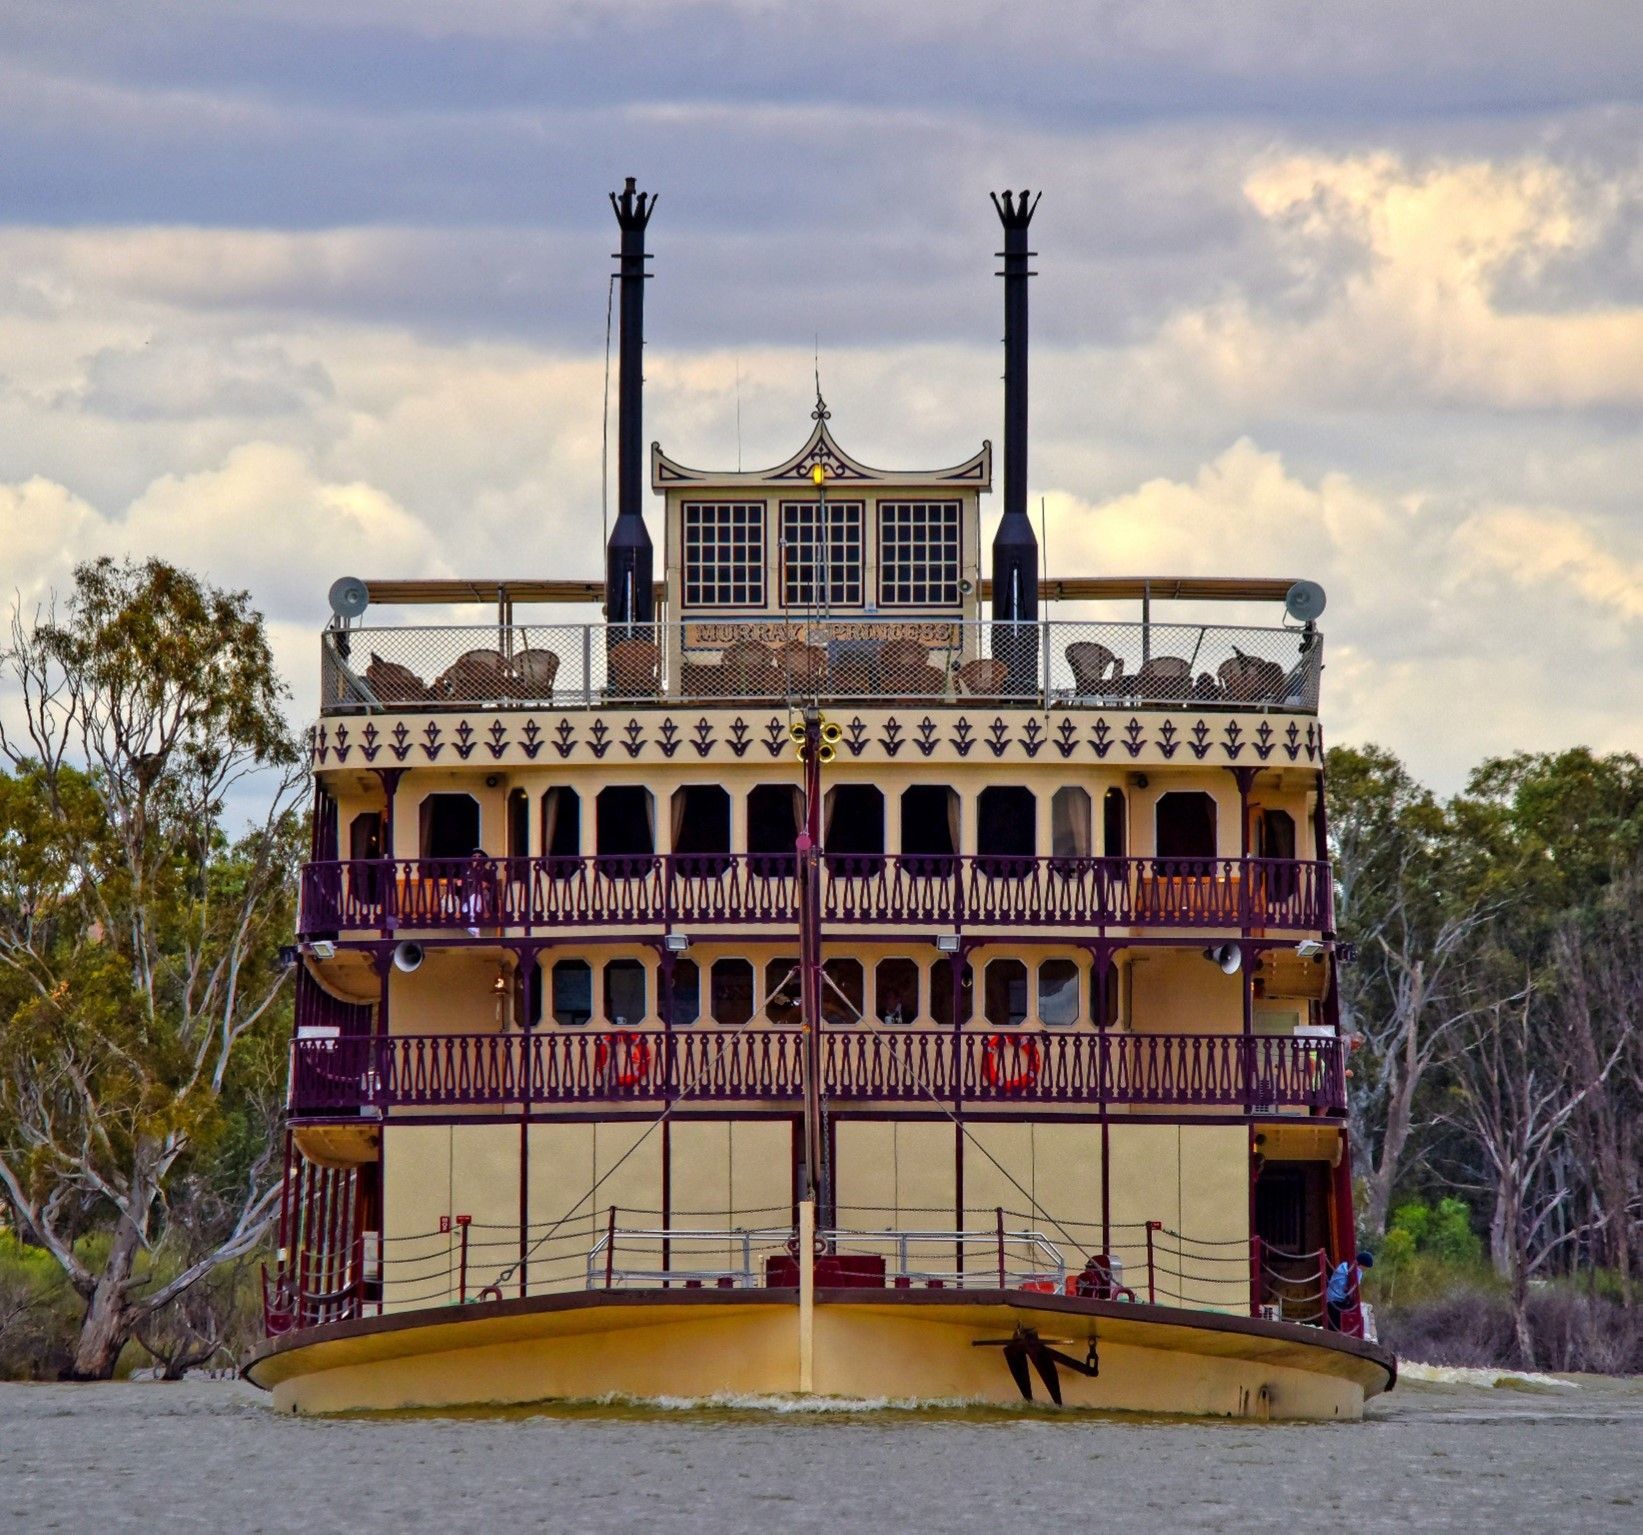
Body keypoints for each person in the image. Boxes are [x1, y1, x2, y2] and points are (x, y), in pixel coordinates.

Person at [1326, 1249, 1373, 1330]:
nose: (1365, 1270)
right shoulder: (1351, 1269)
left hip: (1336, 1300)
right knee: (1338, 1326)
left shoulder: (1350, 1268)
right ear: (1362, 1264)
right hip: (1336, 1301)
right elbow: (1347, 1287)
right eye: (1365, 1268)